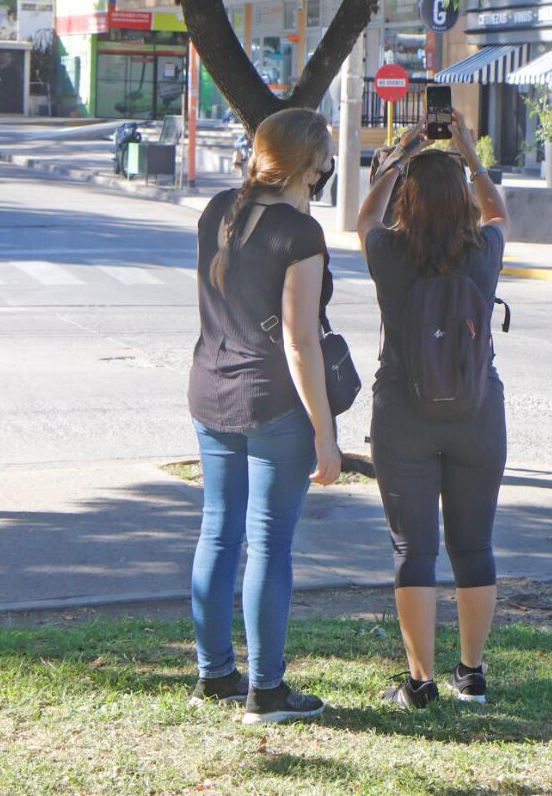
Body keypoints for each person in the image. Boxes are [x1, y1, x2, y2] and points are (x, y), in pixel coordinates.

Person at [187, 107, 341, 725]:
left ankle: (214, 673)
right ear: (309, 166)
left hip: (209, 389)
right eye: (327, 158)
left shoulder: (217, 209)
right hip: (272, 403)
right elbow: (300, 341)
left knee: (218, 532)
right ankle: (268, 692)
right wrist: (326, 434)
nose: (331, 167)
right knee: (269, 544)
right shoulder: (300, 236)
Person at [357, 110, 509, 710]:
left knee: (412, 551)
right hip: (477, 414)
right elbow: (498, 212)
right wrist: (471, 155)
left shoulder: (390, 254)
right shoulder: (484, 250)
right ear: (463, 203)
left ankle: (419, 681)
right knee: (474, 546)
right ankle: (469, 673)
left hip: (402, 415)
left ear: (409, 201)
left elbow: (365, 216)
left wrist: (396, 158)